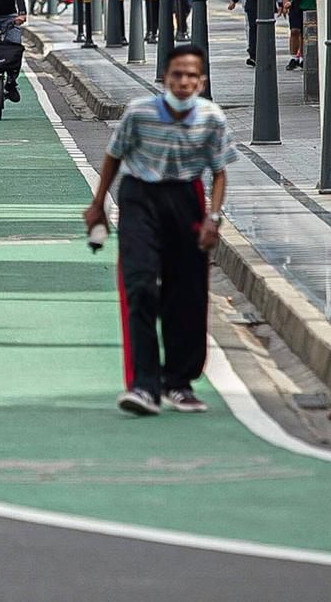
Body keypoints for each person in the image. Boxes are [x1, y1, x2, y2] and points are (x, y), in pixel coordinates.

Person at [84, 44, 237, 416]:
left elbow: (219, 172)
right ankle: (143, 386)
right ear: (165, 78)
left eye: (191, 76)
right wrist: (98, 204)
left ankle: (179, 383)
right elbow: (114, 156)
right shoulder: (140, 113)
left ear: (201, 82)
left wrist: (212, 220)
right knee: (140, 285)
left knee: (186, 294)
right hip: (141, 197)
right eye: (176, 75)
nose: (183, 82)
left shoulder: (211, 119)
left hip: (186, 199)